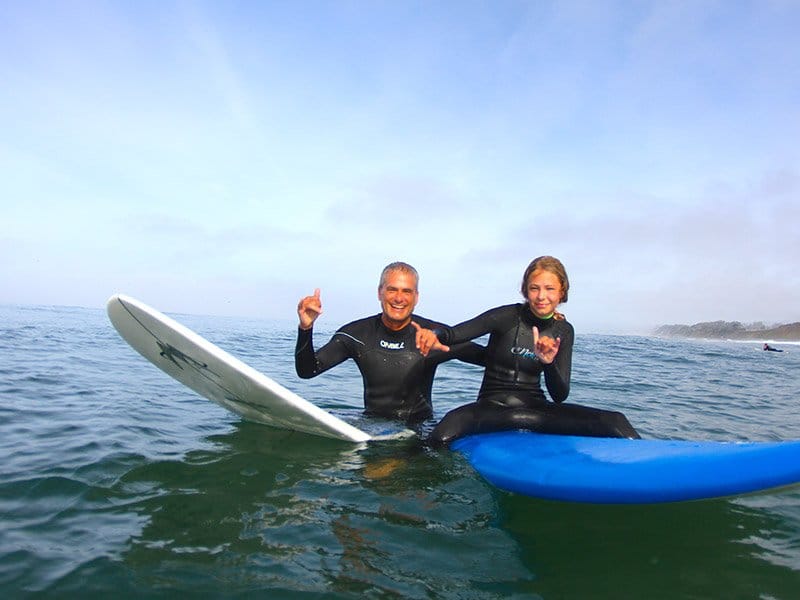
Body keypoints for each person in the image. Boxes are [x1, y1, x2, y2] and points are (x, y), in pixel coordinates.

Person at [414, 255, 640, 446]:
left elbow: (560, 396)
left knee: (616, 421)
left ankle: (649, 466)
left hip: (536, 410)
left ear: (562, 292)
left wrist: (548, 362)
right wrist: (434, 334)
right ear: (525, 291)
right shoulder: (506, 316)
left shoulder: (563, 330)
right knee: (442, 434)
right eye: (535, 288)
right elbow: (456, 334)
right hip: (491, 408)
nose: (542, 296)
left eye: (550, 288)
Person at [295, 261, 485, 424]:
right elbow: (308, 371)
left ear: (416, 297)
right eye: (392, 289)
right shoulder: (356, 334)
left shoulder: (432, 335)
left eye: (407, 291)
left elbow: (491, 358)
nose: (399, 298)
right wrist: (306, 328)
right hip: (372, 425)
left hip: (420, 431)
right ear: (380, 292)